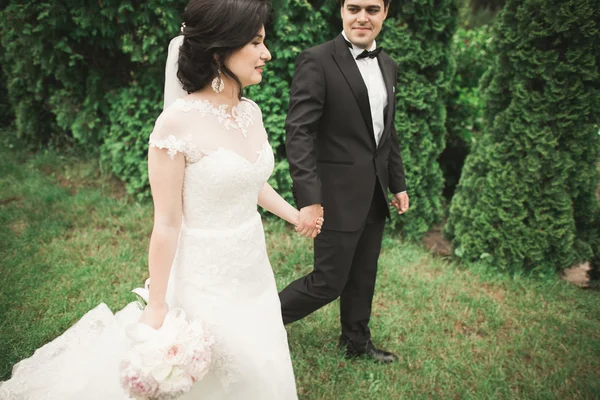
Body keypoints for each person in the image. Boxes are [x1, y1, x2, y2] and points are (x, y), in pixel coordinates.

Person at [0, 0, 322, 398]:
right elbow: (167, 222)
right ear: (220, 51)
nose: (266, 54)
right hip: (204, 275)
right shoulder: (176, 123)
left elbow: (248, 180)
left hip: (252, 266)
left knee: (261, 360)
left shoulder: (250, 113)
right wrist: (157, 306)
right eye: (256, 43)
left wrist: (294, 215)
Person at [279, 0, 409, 364]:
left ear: (385, 13)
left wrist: (397, 183)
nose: (362, 17)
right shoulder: (317, 60)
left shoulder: (388, 65)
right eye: (354, 8)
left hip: (374, 193)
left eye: (372, 9)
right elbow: (299, 132)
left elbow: (386, 133)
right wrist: (310, 196)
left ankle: (355, 342)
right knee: (327, 282)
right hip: (334, 195)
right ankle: (259, 324)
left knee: (363, 274)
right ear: (341, 11)